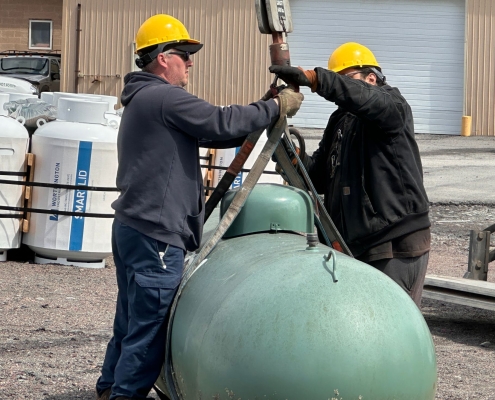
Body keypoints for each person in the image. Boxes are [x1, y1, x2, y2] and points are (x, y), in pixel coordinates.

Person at [95, 14, 303, 400]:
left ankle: (109, 388)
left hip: (134, 227)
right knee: (150, 328)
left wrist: (265, 107)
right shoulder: (164, 97)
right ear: (161, 57)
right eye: (184, 53)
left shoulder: (144, 99)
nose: (190, 61)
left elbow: (219, 133)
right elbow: (220, 122)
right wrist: (275, 108)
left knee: (130, 321)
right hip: (156, 233)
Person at [270, 42, 430, 307]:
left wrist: (316, 79)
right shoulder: (341, 120)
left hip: (393, 244)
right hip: (353, 245)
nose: (342, 91)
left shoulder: (392, 105)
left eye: (347, 80)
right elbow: (319, 177)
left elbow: (364, 98)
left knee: (387, 330)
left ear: (371, 78)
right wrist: (290, 156)